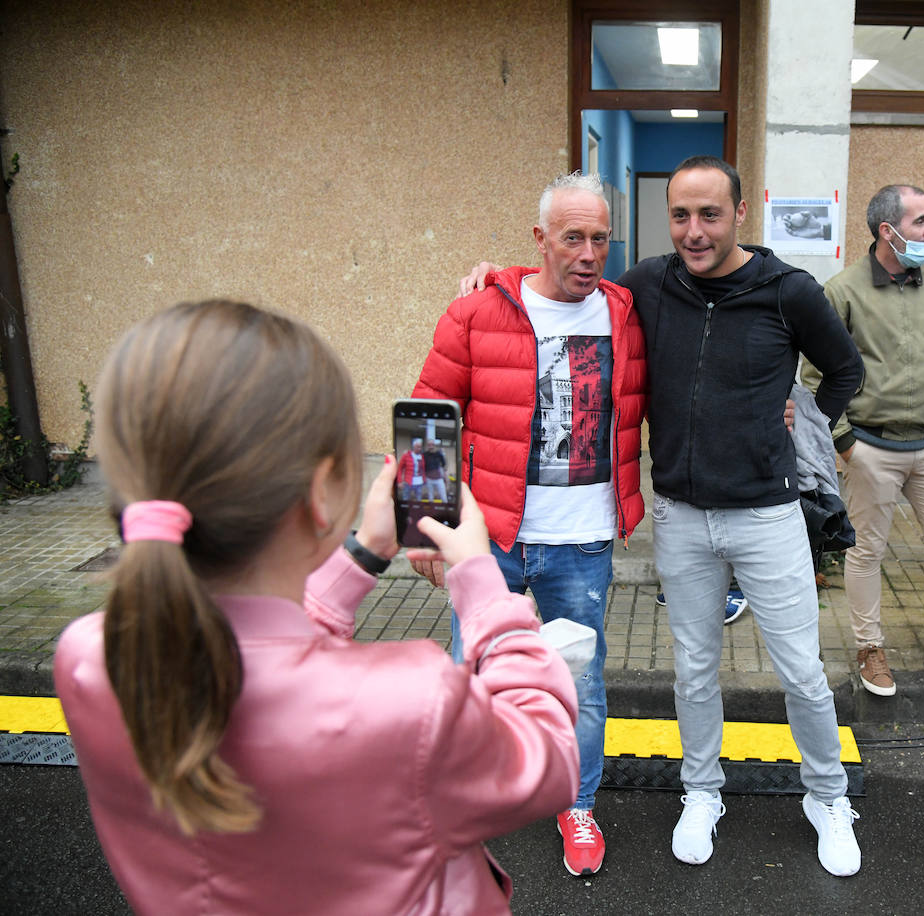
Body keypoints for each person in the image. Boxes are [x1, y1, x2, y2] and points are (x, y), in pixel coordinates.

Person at [53, 300, 580, 915]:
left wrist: (363, 554)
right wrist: (483, 588)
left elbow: (266, 646)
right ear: (318, 493)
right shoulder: (412, 698)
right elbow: (547, 757)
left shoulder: (92, 657)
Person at [470, 157, 866, 875]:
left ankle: (828, 796)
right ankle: (700, 790)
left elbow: (846, 370)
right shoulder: (648, 285)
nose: (693, 231)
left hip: (769, 515)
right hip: (680, 517)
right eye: (680, 215)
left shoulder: (789, 292)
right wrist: (497, 276)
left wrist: (805, 418)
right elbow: (562, 286)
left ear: (738, 213)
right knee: (693, 672)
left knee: (803, 672)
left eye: (709, 215)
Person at [411, 172, 647, 877]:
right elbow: (428, 414)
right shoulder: (478, 313)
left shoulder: (625, 312)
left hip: (583, 541)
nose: (588, 252)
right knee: (473, 674)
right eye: (572, 237)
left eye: (600, 238)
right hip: (493, 540)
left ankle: (575, 805)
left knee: (583, 685)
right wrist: (426, 522)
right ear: (539, 240)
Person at [801, 184, 924, 697]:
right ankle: (869, 647)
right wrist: (843, 441)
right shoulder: (841, 291)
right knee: (865, 552)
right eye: (921, 222)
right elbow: (815, 373)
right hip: (871, 446)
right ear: (888, 231)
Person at [398, 436, 425, 500]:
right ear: (414, 447)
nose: (419, 448)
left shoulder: (422, 456)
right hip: (408, 482)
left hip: (419, 483)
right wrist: (399, 481)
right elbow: (399, 468)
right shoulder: (406, 455)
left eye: (420, 447)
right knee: (406, 499)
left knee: (419, 500)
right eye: (417, 447)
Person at [422, 438, 448, 502]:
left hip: (439, 478)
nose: (431, 446)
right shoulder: (424, 454)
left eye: (432, 444)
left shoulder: (439, 454)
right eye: (429, 445)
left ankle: (446, 509)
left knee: (443, 496)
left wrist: (445, 476)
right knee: (430, 497)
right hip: (429, 479)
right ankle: (432, 510)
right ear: (427, 446)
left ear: (434, 445)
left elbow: (444, 464)